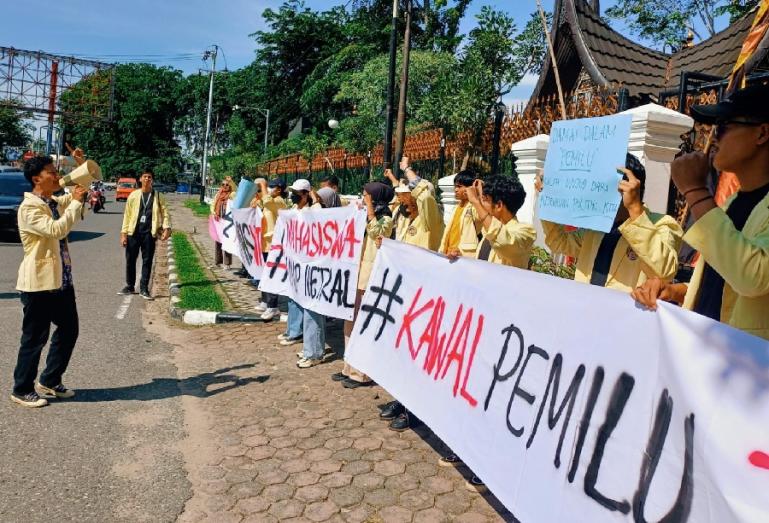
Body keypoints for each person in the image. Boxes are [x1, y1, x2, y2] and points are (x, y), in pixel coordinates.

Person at [632, 83, 769, 340]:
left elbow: (753, 278)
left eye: (724, 127)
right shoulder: (732, 204)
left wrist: (695, 190)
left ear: (761, 134)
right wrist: (677, 291)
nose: (713, 138)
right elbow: (721, 284)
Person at [535, 154, 683, 292]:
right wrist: (547, 201)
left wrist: (634, 210)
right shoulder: (597, 226)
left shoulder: (663, 224)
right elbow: (559, 242)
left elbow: (664, 272)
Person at [11, 155, 88, 408]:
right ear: (37, 179)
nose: (56, 175)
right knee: (35, 338)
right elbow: (57, 229)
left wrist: (81, 166)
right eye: (51, 172)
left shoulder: (52, 200)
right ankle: (21, 389)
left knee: (69, 330)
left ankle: (50, 381)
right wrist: (75, 202)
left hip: (61, 280)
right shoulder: (29, 208)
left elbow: (79, 191)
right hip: (39, 284)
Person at [335, 181, 396, 389]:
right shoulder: (362, 212)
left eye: (367, 195)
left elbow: (377, 233)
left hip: (370, 277)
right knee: (350, 321)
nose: (364, 197)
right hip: (356, 273)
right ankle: (348, 366)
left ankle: (362, 373)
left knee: (364, 323)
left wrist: (369, 210)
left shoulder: (386, 217)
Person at [453, 176, 537, 267]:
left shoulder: (525, 232)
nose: (482, 204)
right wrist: (462, 257)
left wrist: (475, 201)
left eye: (485, 200)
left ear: (499, 205)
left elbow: (503, 241)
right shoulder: (487, 231)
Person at [119, 169, 171, 299]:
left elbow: (165, 213)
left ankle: (143, 289)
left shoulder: (158, 196)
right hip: (133, 233)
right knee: (130, 260)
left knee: (147, 261)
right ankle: (130, 286)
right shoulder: (133, 195)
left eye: (149, 177)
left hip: (149, 233)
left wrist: (167, 228)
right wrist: (123, 233)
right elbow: (127, 215)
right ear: (140, 179)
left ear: (152, 180)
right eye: (145, 177)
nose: (147, 179)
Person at [254, 178, 288, 320]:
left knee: (271, 275)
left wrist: (263, 185)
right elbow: (262, 203)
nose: (268, 189)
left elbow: (267, 201)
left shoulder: (279, 201)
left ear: (279, 189)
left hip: (273, 245)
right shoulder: (269, 201)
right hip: (263, 243)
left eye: (271, 187)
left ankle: (273, 306)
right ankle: (265, 301)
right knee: (264, 274)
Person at [439, 170, 483, 257]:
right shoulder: (457, 207)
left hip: (463, 255)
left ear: (470, 188)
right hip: (448, 253)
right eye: (455, 186)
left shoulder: (474, 206)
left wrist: (479, 192)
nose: (456, 190)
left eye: (459, 186)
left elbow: (480, 216)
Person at [209, 177, 237, 270]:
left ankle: (227, 263)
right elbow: (213, 204)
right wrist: (214, 213)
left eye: (227, 185)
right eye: (223, 184)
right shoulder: (219, 194)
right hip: (218, 220)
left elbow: (236, 192)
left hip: (228, 221)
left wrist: (231, 182)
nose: (225, 186)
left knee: (227, 241)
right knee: (218, 241)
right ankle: (218, 262)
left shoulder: (232, 194)